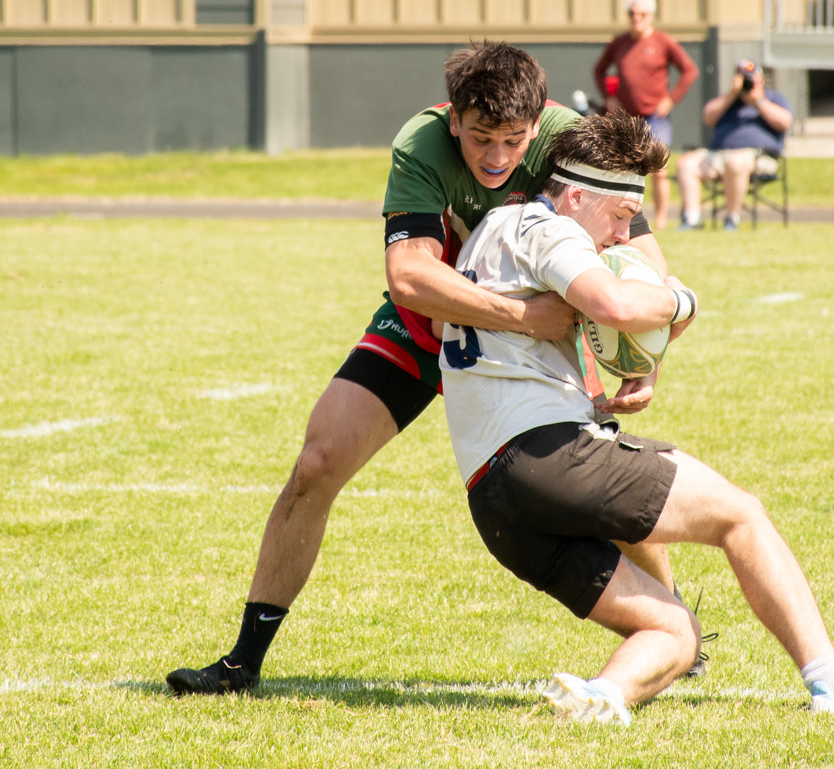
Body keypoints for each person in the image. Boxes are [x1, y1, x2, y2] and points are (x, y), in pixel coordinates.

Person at [166, 44, 686, 696]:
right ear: (453, 120)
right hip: (440, 324)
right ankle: (244, 660)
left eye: (513, 141)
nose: (496, 157)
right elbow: (410, 277)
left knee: (601, 481)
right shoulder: (421, 140)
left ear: (537, 123)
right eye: (480, 138)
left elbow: (642, 260)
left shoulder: (567, 137)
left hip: (533, 348)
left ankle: (677, 631)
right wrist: (521, 316)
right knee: (318, 462)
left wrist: (645, 355)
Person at [440, 113, 834, 723]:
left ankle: (602, 696)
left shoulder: (496, 230)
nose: (621, 235)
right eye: (619, 216)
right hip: (547, 456)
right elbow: (614, 304)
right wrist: (683, 299)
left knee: (677, 634)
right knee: (741, 515)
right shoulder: (549, 227)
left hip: (494, 500)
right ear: (576, 197)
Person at [592, 0, 698, 228]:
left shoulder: (663, 41)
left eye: (642, 14)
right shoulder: (619, 42)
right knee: (622, 167)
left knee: (659, 168)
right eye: (632, 13)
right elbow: (599, 70)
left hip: (655, 117)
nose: (636, 18)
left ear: (651, 15)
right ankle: (622, 215)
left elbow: (689, 70)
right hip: (626, 118)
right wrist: (609, 98)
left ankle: (661, 218)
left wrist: (671, 99)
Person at [676, 61, 790, 229]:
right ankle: (692, 218)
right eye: (742, 78)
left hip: (759, 156)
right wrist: (731, 95)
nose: (746, 82)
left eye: (750, 78)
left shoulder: (773, 98)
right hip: (719, 155)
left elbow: (785, 122)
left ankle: (731, 218)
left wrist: (757, 101)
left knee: (735, 162)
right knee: (686, 163)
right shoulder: (728, 100)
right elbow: (707, 117)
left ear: (761, 79)